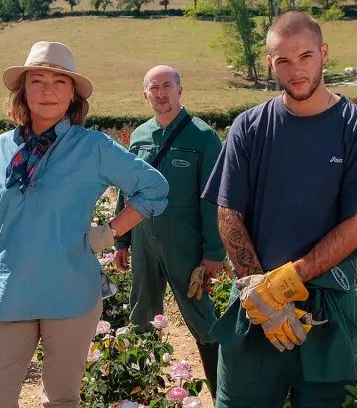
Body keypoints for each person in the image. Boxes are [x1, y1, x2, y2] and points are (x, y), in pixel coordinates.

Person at [0, 41, 169, 408]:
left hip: (72, 293)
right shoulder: (1, 148)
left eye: (59, 82)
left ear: (73, 94)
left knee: (61, 400)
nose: (47, 90)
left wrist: (110, 231)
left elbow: (154, 187)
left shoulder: (91, 147)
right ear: (22, 91)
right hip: (11, 294)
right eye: (37, 80)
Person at [201, 11, 357, 408]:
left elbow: (356, 226)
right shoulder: (249, 127)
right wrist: (261, 295)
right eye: (283, 61)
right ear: (271, 64)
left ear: (323, 53)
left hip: (326, 309)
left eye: (305, 56)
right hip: (253, 310)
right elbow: (228, 214)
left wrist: (281, 285)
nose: (296, 70)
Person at [113, 65, 226, 398]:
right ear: (145, 95)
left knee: (201, 318)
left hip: (186, 241)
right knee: (141, 314)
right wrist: (121, 239)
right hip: (144, 239)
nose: (160, 93)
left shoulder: (202, 137)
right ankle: (142, 394)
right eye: (153, 88)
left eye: (167, 86)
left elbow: (214, 199)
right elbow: (126, 189)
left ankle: (223, 394)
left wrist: (213, 253)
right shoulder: (139, 137)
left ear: (180, 90)